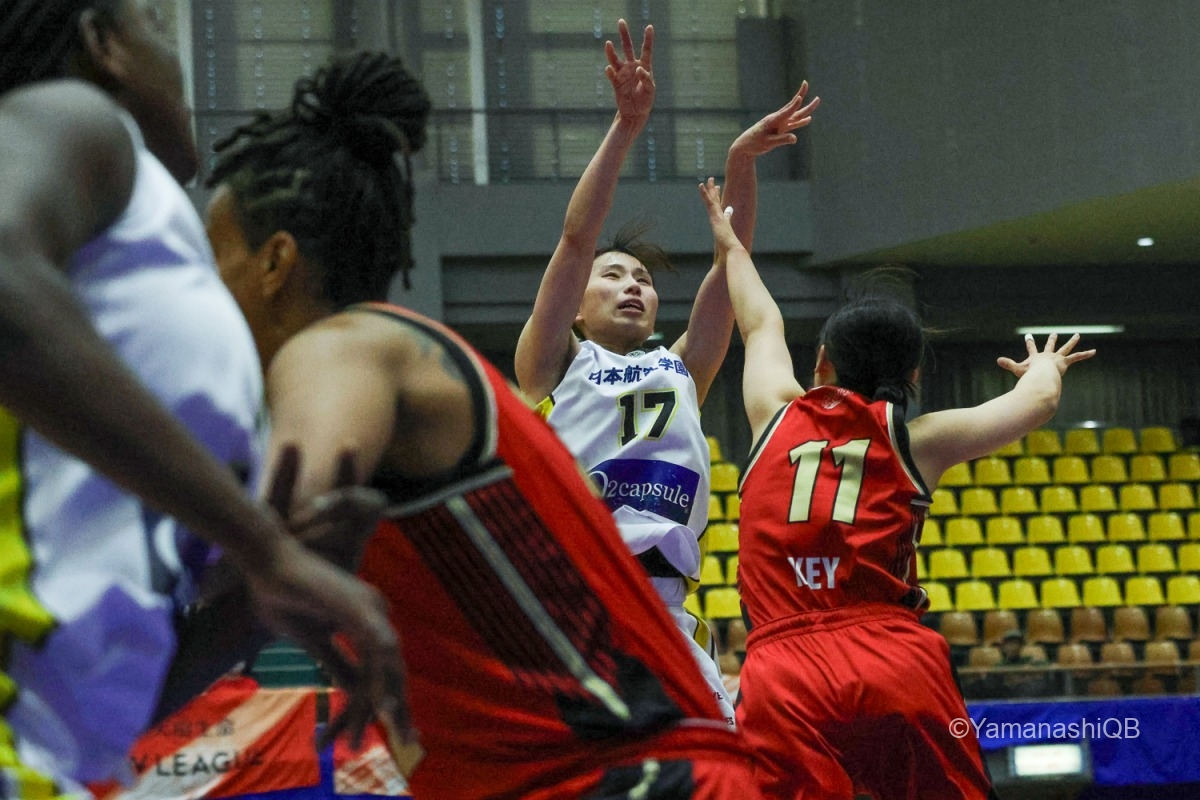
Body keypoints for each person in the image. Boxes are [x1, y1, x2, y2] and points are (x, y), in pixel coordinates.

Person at [202, 48, 758, 798]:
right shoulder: (550, 361)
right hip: (595, 707)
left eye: (211, 256)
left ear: (275, 261)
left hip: (623, 740)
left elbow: (281, 525)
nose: (199, 281)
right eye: (613, 274)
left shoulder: (351, 353)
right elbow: (265, 567)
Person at [0, 2, 404, 793]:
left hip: (53, 760)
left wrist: (259, 599)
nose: (180, 59)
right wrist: (262, 544)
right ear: (105, 44)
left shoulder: (142, 245)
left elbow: (122, 703)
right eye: (156, 23)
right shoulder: (76, 116)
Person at [697, 179, 1095, 799]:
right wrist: (1045, 364)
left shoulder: (772, 411)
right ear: (911, 373)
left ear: (821, 361)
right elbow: (1038, 401)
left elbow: (759, 322)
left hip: (784, 667)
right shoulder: (917, 439)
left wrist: (730, 245)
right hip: (893, 658)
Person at [514, 17, 819, 728]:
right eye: (614, 276)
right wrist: (627, 127)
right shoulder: (555, 361)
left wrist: (742, 161)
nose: (632, 286)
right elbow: (576, 238)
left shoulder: (680, 367)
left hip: (666, 608)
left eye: (644, 280)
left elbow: (731, 264)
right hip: (578, 603)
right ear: (577, 305)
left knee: (714, 766)